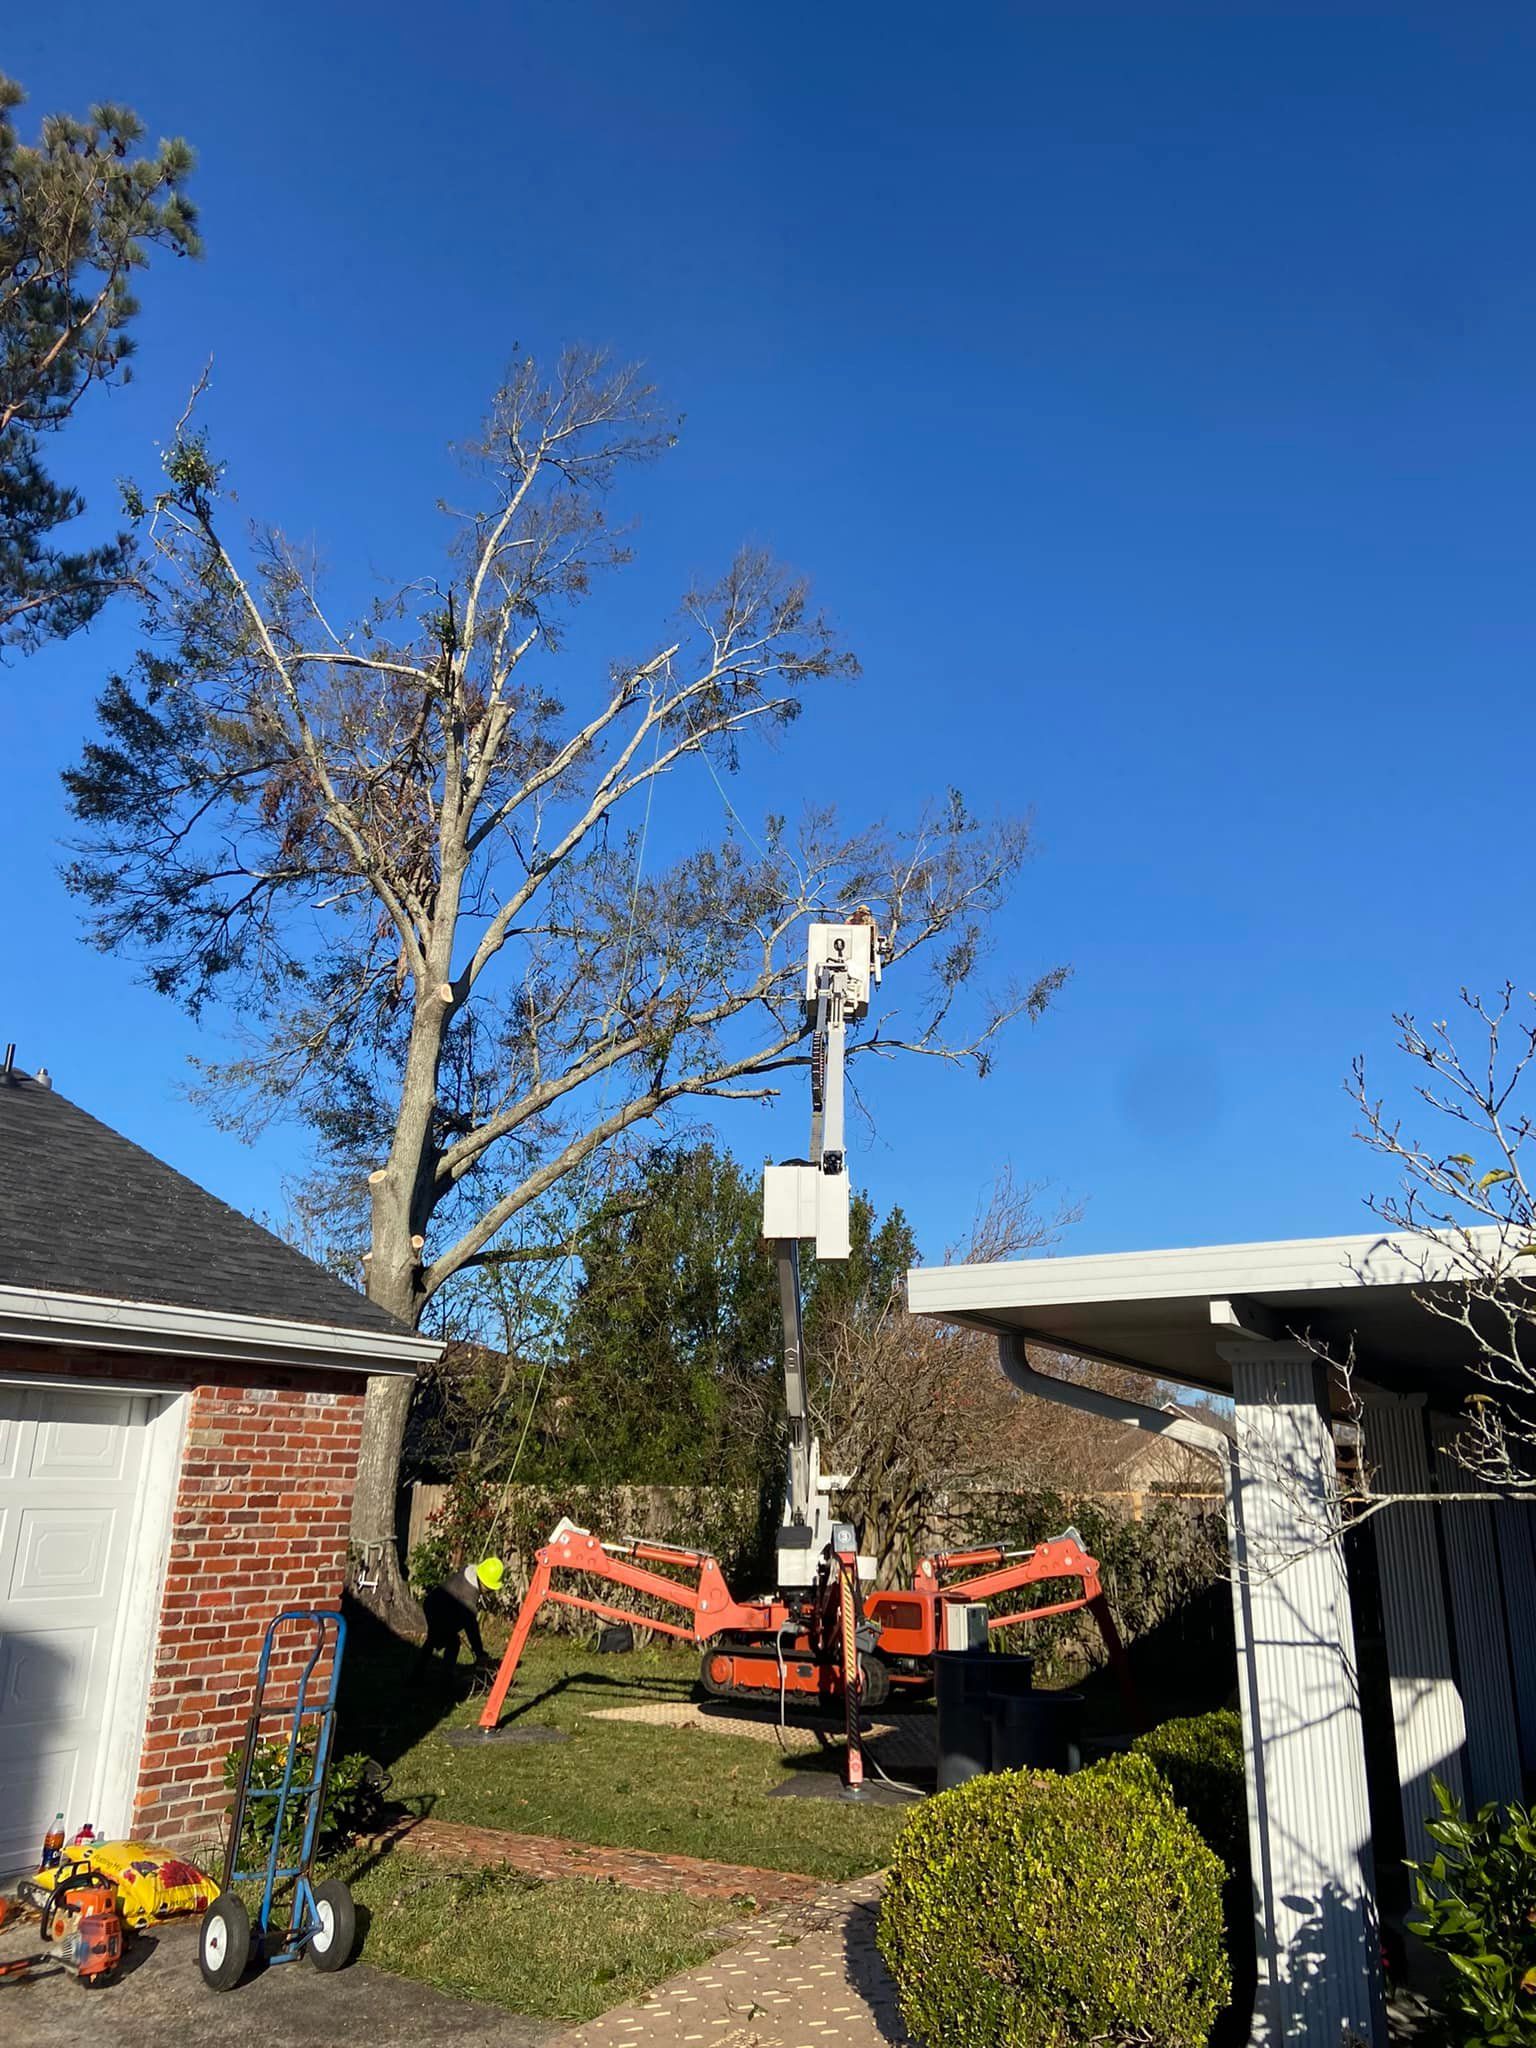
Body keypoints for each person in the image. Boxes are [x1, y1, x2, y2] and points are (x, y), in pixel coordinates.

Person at [420, 1555, 504, 1671]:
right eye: (489, 1589)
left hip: (438, 1602)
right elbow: (471, 1628)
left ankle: (420, 1676)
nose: (490, 1592)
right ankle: (444, 1679)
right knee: (452, 1643)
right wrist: (479, 1653)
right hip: (435, 1607)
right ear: (483, 1582)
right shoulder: (469, 1596)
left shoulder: (469, 1570)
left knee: (436, 1639)